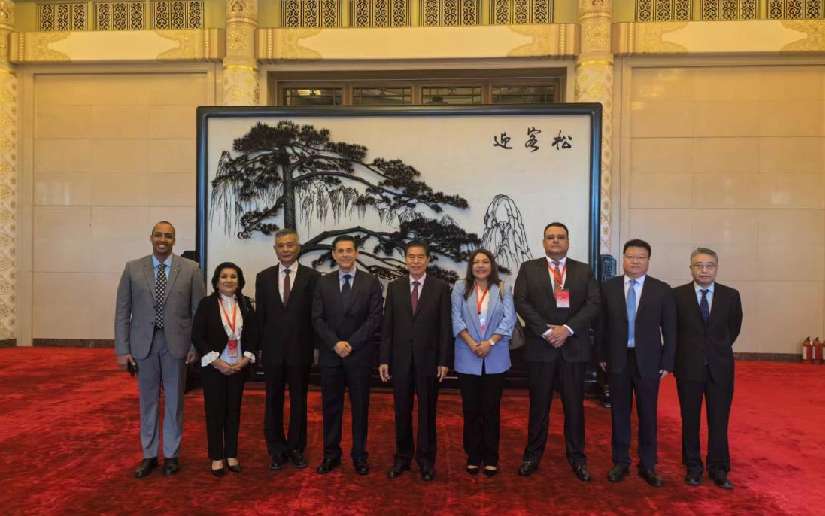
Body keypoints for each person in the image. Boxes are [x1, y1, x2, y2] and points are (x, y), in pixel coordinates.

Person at [114, 221, 206, 478]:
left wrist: (195, 345)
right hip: (143, 344)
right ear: (151, 237)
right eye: (158, 235)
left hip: (177, 345)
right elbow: (122, 312)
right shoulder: (133, 269)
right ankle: (150, 455)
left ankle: (172, 455)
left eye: (168, 236)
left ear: (174, 240)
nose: (162, 239)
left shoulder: (191, 269)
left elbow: (199, 312)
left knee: (175, 401)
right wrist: (122, 349)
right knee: (148, 402)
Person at [514, 222, 599, 481]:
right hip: (541, 348)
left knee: (574, 408)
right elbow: (521, 301)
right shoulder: (529, 269)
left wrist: (567, 329)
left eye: (560, 237)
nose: (555, 241)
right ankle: (532, 456)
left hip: (573, 349)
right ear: (543, 242)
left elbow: (593, 303)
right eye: (550, 237)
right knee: (539, 406)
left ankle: (577, 458)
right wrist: (546, 331)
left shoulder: (583, 270)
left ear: (568, 242)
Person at [598, 239, 676, 487]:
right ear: (623, 258)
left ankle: (648, 464)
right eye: (630, 256)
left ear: (648, 261)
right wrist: (601, 355)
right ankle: (620, 462)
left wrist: (667, 361)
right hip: (618, 358)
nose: (635, 261)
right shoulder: (608, 288)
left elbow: (670, 330)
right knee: (619, 413)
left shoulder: (661, 290)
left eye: (641, 257)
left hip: (649, 361)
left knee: (648, 414)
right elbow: (600, 325)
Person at [379, 241, 451, 481]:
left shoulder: (440, 288)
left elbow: (445, 327)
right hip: (400, 360)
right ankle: (402, 457)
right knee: (401, 411)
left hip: (429, 361)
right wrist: (384, 359)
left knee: (427, 412)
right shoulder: (395, 287)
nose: (416, 261)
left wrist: (443, 360)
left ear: (428, 260)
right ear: (405, 259)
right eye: (411, 256)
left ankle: (426, 461)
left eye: (420, 257)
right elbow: (387, 327)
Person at [312, 235, 384, 475]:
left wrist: (351, 344)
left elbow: (375, 318)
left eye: (349, 250)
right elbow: (317, 318)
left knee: (360, 408)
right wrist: (335, 344)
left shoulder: (371, 282)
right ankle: (331, 455)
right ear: (333, 254)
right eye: (340, 251)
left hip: (359, 355)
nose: (345, 254)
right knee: (331, 407)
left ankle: (359, 456)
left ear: (356, 253)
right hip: (331, 356)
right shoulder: (323, 283)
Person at [674, 248, 742, 489]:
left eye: (709, 265)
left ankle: (719, 468)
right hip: (688, 367)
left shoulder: (731, 296)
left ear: (716, 268)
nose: (704, 270)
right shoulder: (677, 296)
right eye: (698, 265)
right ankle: (693, 467)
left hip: (720, 368)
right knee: (689, 419)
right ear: (691, 268)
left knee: (719, 420)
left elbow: (733, 329)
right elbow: (673, 330)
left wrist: (715, 350)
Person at [256, 229, 320, 471]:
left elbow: (316, 316)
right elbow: (260, 316)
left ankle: (296, 448)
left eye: (290, 245)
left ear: (298, 247)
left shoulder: (312, 277)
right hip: (271, 350)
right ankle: (276, 450)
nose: (285, 249)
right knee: (272, 400)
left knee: (299, 401)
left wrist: (316, 347)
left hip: (300, 349)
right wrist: (258, 348)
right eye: (281, 245)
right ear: (275, 249)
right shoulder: (264, 277)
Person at [451, 249, 516, 477]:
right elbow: (455, 317)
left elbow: (509, 319)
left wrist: (490, 342)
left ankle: (491, 457)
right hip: (467, 355)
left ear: (492, 265)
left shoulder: (503, 288)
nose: (480, 265)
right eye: (476, 262)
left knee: (491, 409)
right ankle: (472, 455)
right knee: (470, 410)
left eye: (485, 261)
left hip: (495, 356)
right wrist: (472, 343)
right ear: (471, 266)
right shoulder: (461, 287)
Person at [191, 263, 259, 476]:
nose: (228, 280)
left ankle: (231, 453)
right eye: (224, 276)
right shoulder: (207, 304)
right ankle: (217, 457)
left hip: (238, 366)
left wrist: (245, 360)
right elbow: (197, 336)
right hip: (214, 367)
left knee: (233, 411)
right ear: (216, 281)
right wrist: (216, 362)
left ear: (239, 281)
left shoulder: (246, 304)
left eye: (233, 277)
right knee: (215, 411)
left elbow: (254, 334)